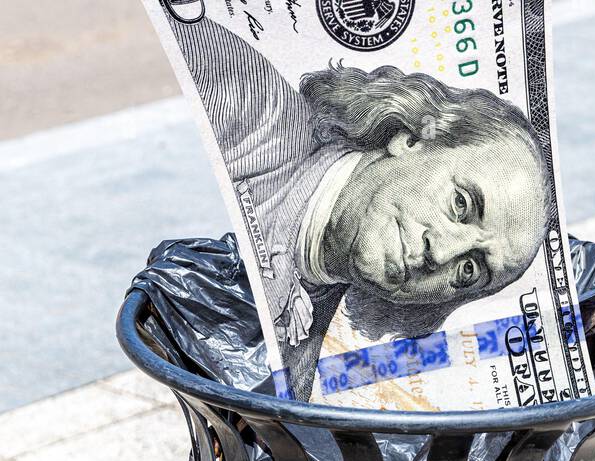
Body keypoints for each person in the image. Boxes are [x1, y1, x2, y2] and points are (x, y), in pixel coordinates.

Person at [167, 11, 552, 398]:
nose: (443, 253)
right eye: (460, 203)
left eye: (470, 270)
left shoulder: (304, 349)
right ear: (410, 139)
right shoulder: (247, 99)